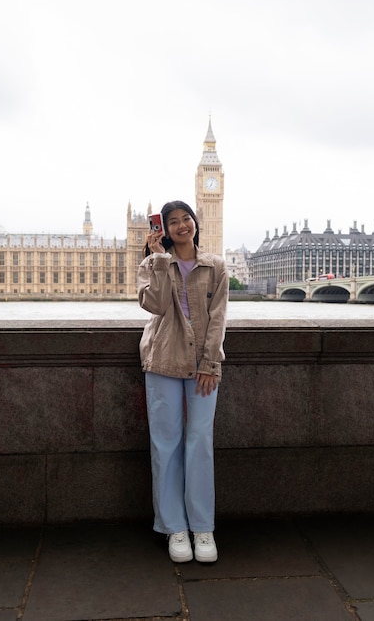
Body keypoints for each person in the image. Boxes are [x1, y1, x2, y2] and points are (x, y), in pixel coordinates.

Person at [137, 200, 229, 563]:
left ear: (195, 222)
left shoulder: (216, 266)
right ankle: (175, 527)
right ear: (164, 229)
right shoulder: (151, 264)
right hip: (163, 359)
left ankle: (202, 526)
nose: (180, 226)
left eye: (185, 219)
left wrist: (211, 362)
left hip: (203, 365)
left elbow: (218, 318)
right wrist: (159, 258)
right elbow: (156, 305)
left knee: (200, 442)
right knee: (166, 445)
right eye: (172, 221)